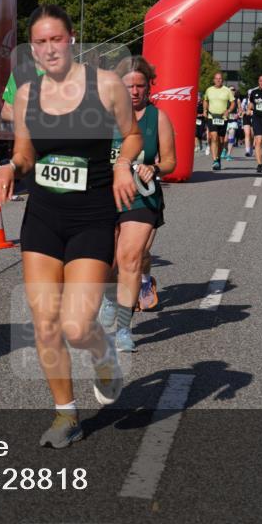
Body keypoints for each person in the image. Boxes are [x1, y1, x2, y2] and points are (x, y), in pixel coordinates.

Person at [0, 4, 140, 449]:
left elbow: (131, 135)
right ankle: (66, 415)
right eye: (40, 41)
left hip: (92, 215)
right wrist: (9, 168)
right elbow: (26, 153)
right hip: (43, 216)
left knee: (77, 326)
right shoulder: (26, 94)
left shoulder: (106, 85)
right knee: (45, 324)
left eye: (56, 39)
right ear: (32, 48)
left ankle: (104, 354)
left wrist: (123, 166)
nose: (48, 48)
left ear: (71, 39)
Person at [97, 56, 175, 353]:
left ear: (148, 87)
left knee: (130, 258)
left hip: (142, 195)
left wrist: (154, 169)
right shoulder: (103, 117)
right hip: (104, 195)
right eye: (128, 86)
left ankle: (123, 330)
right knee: (107, 261)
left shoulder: (159, 118)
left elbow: (170, 160)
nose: (134, 92)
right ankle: (107, 296)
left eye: (140, 86)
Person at [203, 72, 235, 171]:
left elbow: (232, 103)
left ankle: (218, 157)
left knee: (221, 141)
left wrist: (228, 111)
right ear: (214, 80)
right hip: (212, 116)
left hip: (223, 118)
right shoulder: (209, 90)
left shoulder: (227, 90)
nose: (218, 80)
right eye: (216, 78)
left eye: (220, 79)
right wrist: (205, 110)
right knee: (214, 137)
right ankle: (215, 160)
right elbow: (205, 100)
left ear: (222, 80)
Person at [223, 85, 239, 161]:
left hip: (233, 121)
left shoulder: (237, 100)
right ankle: (224, 150)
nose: (232, 91)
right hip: (225, 121)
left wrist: (239, 114)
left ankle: (229, 154)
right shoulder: (225, 100)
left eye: (233, 90)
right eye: (231, 90)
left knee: (231, 136)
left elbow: (240, 110)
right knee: (225, 139)